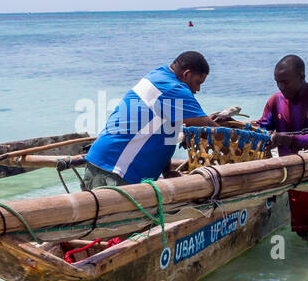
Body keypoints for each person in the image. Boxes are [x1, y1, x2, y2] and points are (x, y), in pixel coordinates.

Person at [82, 51, 220, 190]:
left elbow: (165, 130)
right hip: (116, 171)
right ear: (186, 74)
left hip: (100, 161)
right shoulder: (174, 89)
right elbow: (213, 129)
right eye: (197, 82)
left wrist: (166, 171)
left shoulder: (157, 75)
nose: (198, 89)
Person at [256, 54, 308, 246]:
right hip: (293, 176)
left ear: (302, 76)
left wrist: (286, 139)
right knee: (301, 234)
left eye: (286, 82)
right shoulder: (275, 100)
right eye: (278, 82)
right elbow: (262, 127)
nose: (281, 87)